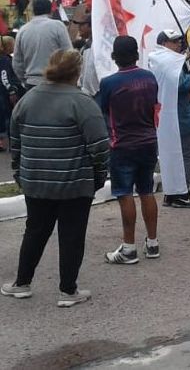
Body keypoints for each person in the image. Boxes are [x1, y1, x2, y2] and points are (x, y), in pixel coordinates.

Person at [1, 50, 109, 307]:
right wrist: (97, 177)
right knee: (72, 236)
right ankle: (68, 291)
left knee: (35, 231)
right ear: (77, 71)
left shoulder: (28, 99)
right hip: (74, 184)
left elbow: (15, 141)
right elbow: (100, 146)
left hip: (36, 182)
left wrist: (20, 172)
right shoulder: (82, 103)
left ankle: (21, 283)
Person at [96, 36, 161, 264]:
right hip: (149, 141)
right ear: (136, 55)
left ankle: (129, 247)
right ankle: (152, 243)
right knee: (146, 192)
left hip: (122, 144)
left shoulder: (109, 83)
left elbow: (102, 109)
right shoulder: (150, 78)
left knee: (125, 194)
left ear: (114, 57)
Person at [157, 30, 190, 209]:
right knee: (187, 154)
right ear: (164, 43)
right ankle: (181, 192)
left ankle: (173, 192)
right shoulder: (169, 64)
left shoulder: (161, 60)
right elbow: (183, 85)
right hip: (179, 115)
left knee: (177, 155)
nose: (179, 44)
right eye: (174, 42)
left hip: (173, 115)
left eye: (179, 41)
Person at [12, 0, 72, 91]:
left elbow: (17, 62)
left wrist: (25, 79)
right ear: (50, 10)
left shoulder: (23, 30)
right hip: (56, 82)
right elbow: (69, 55)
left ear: (33, 11)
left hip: (31, 83)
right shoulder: (58, 26)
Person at [0, 35, 22, 150]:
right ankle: (12, 142)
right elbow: (4, 77)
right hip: (5, 94)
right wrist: (11, 90)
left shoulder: (6, 58)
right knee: (9, 117)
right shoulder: (4, 59)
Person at [72, 10, 99, 97]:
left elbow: (89, 77)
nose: (79, 28)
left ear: (91, 26)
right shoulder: (87, 45)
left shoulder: (93, 47)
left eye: (82, 25)